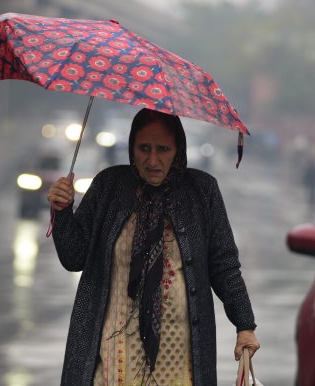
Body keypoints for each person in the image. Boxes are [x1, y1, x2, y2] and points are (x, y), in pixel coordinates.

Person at [48, 108, 259, 386]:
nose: (153, 159)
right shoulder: (108, 186)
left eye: (163, 149)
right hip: (111, 357)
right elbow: (74, 257)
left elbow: (224, 266)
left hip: (179, 358)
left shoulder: (202, 192)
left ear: (178, 149)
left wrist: (244, 325)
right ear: (131, 148)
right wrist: (63, 211)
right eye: (144, 148)